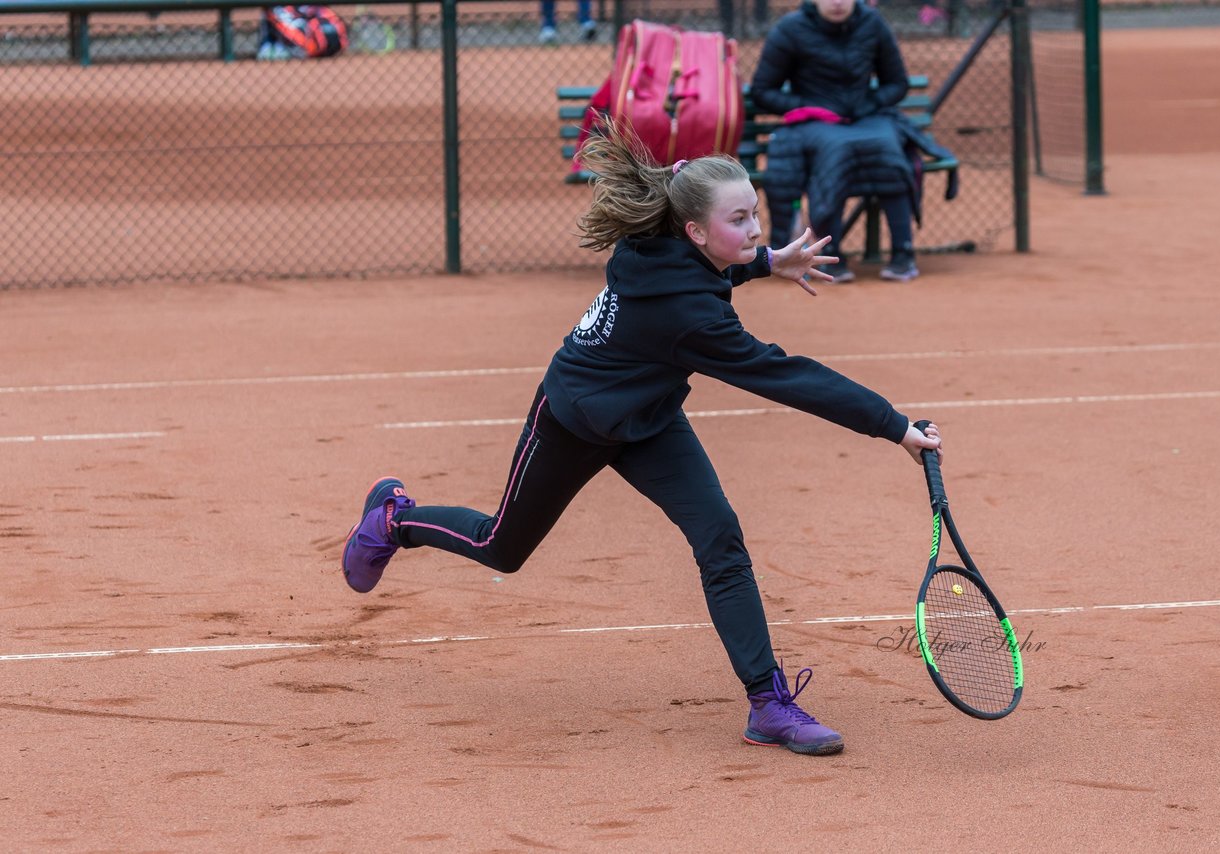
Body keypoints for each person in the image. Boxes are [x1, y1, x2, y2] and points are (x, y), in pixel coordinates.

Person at [340, 116, 943, 757]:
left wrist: (764, 261)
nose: (755, 228)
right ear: (694, 229)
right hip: (574, 419)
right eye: (738, 221)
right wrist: (895, 427)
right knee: (501, 547)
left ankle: (768, 704)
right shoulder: (688, 315)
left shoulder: (657, 251)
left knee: (720, 538)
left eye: (754, 215)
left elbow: (702, 273)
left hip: (649, 419)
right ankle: (395, 519)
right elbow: (784, 375)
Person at [751, 0, 942, 283]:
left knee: (889, 146)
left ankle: (903, 253)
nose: (838, 2)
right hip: (815, 123)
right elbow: (763, 90)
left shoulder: (872, 23)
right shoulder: (790, 29)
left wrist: (870, 103)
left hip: (864, 118)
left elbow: (897, 82)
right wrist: (809, 106)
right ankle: (831, 257)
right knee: (836, 149)